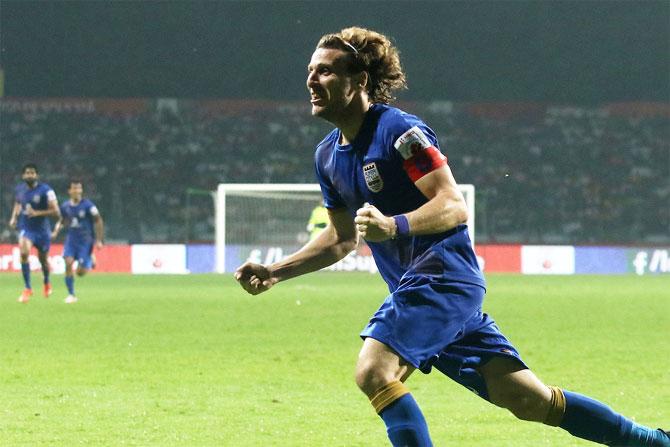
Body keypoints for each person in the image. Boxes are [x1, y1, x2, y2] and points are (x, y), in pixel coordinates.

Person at [234, 27, 669, 447]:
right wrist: (276, 270)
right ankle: (652, 442)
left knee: (374, 371)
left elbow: (453, 204)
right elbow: (341, 239)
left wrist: (395, 225)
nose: (312, 79)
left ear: (359, 80)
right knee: (528, 400)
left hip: (442, 277)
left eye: (327, 70)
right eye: (311, 70)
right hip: (423, 289)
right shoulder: (327, 155)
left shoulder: (398, 131)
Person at [8, 163, 60, 303]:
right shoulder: (20, 189)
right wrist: (14, 217)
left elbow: (56, 211)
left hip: (42, 230)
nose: (29, 175)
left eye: (32, 173)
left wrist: (37, 213)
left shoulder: (46, 190)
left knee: (43, 260)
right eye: (27, 173)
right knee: (24, 253)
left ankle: (47, 282)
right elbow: (18, 203)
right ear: (23, 175)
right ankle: (27, 288)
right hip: (27, 227)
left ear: (36, 175)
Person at [51, 180, 104, 304]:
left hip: (85, 241)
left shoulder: (88, 206)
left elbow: (98, 220)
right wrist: (55, 231)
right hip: (71, 239)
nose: (77, 191)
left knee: (80, 273)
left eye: (79, 188)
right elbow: (62, 220)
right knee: (68, 262)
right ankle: (71, 294)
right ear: (70, 191)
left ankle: (90, 259)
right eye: (74, 188)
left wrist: (99, 239)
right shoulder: (65, 206)